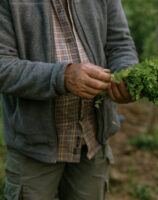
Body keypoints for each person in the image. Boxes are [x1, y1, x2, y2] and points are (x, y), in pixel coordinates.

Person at [0, 0, 138, 199]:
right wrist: (61, 76)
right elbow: (3, 65)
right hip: (34, 145)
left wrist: (126, 76)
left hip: (92, 139)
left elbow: (119, 44)